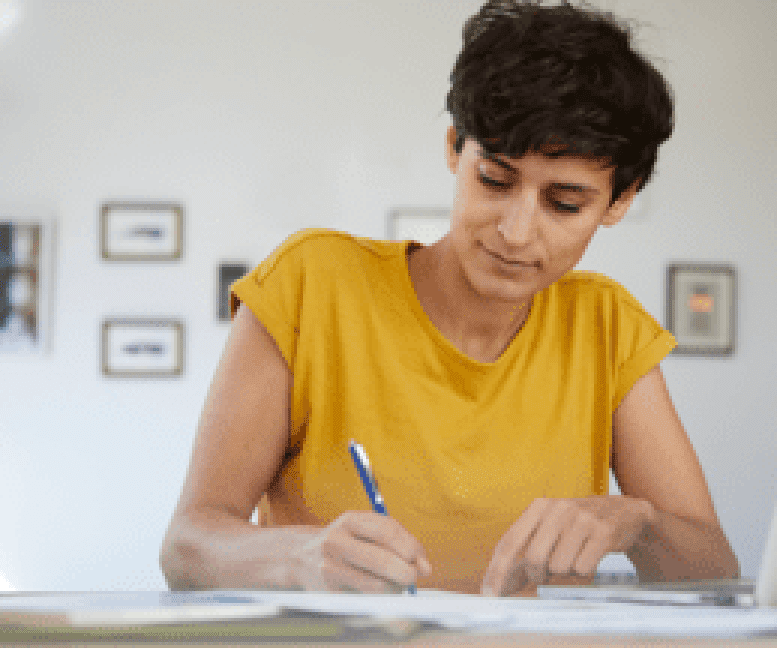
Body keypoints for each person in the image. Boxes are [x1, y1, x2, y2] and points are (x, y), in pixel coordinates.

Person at [160, 0, 739, 596]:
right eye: (494, 179)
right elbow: (188, 544)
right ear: (454, 148)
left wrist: (634, 523)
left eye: (564, 203)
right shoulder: (311, 284)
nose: (515, 232)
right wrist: (298, 556)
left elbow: (715, 568)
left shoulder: (608, 326)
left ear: (619, 201)